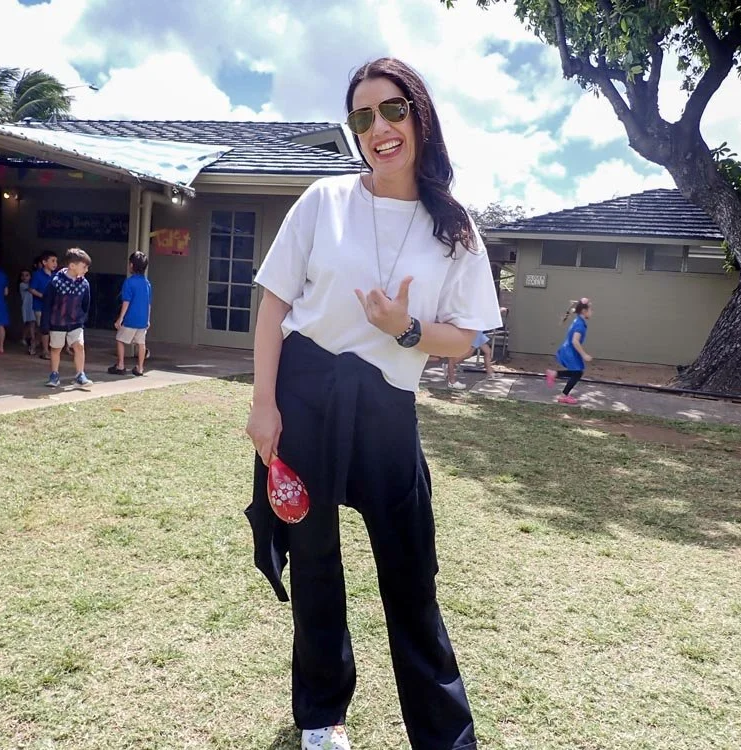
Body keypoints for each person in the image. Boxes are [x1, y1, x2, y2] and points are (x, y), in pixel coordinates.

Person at [245, 57, 500, 750]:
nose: (379, 128)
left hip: (388, 403)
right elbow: (273, 304)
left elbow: (466, 336)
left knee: (411, 575)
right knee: (316, 564)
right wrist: (264, 403)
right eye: (363, 116)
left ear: (419, 114)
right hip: (305, 393)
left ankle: (445, 738)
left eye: (392, 109)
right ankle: (321, 718)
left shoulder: (454, 226)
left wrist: (405, 328)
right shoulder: (323, 200)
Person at [41, 247, 92, 389]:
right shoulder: (55, 282)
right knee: (56, 348)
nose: (86, 270)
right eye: (84, 266)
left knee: (79, 346)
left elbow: (86, 303)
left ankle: (80, 374)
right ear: (72, 265)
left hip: (76, 322)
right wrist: (45, 324)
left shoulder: (84, 284)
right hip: (58, 322)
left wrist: (82, 318)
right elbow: (47, 303)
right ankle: (54, 374)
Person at [108, 251, 152, 377]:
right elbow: (149, 303)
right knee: (141, 343)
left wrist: (120, 318)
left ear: (131, 265)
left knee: (120, 339)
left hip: (130, 319)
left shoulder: (129, 282)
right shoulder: (147, 283)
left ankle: (121, 365)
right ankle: (140, 368)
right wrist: (148, 319)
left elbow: (126, 302)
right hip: (142, 320)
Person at [546, 298, 593, 405]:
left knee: (576, 372)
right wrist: (584, 355)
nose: (592, 312)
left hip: (568, 350)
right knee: (577, 373)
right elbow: (575, 341)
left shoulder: (578, 320)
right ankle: (563, 396)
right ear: (584, 311)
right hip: (570, 351)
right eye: (590, 310)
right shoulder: (580, 325)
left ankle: (553, 374)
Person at [29, 251, 58, 358]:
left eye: (56, 261)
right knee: (43, 328)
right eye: (52, 261)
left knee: (47, 328)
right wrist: (42, 296)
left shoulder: (56, 276)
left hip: (52, 307)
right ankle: (45, 350)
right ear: (44, 262)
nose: (55, 263)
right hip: (39, 306)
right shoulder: (37, 275)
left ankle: (34, 343)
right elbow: (31, 289)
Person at [19, 269, 37, 354]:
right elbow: (31, 289)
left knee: (29, 323)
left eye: (27, 275)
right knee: (31, 323)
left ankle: (24, 338)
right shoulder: (22, 285)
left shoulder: (31, 284)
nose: (24, 277)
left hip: (32, 306)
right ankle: (33, 340)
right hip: (27, 307)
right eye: (22, 275)